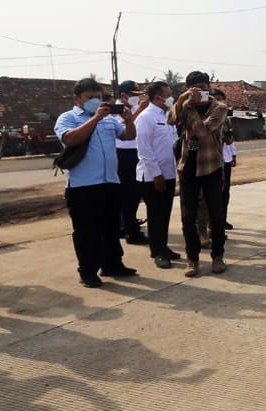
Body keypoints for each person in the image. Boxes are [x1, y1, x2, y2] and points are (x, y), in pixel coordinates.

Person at [54, 78, 138, 288]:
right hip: (83, 186)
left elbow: (128, 136)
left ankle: (113, 265)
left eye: (98, 97)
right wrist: (95, 118)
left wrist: (128, 120)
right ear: (77, 99)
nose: (96, 101)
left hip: (110, 181)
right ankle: (88, 271)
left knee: (110, 228)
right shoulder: (69, 117)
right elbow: (70, 139)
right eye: (90, 98)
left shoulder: (110, 119)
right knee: (86, 232)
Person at [168, 71, 229, 277]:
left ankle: (217, 257)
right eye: (195, 88)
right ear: (188, 89)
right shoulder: (185, 103)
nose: (201, 91)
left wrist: (190, 110)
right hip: (188, 167)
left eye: (204, 87)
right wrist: (182, 102)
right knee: (187, 217)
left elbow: (203, 132)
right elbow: (171, 120)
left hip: (211, 167)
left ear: (209, 87)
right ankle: (192, 260)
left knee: (216, 215)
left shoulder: (219, 107)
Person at [135, 81, 178, 270]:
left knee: (165, 214)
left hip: (169, 173)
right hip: (153, 176)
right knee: (155, 215)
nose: (171, 97)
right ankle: (158, 251)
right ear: (157, 97)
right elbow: (144, 150)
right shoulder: (145, 117)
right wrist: (156, 175)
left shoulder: (167, 115)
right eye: (168, 94)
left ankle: (163, 247)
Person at [115, 80, 151, 245]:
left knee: (135, 194)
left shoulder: (135, 107)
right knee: (127, 194)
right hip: (123, 153)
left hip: (135, 152)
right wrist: (141, 109)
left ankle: (127, 224)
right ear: (124, 96)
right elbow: (123, 126)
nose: (137, 99)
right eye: (134, 96)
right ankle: (130, 230)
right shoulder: (116, 109)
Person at [215, 88, 237, 231]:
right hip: (213, 160)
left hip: (225, 159)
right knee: (214, 193)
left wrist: (233, 155)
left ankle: (222, 220)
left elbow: (230, 140)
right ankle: (214, 223)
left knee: (225, 192)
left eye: (220, 99)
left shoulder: (227, 119)